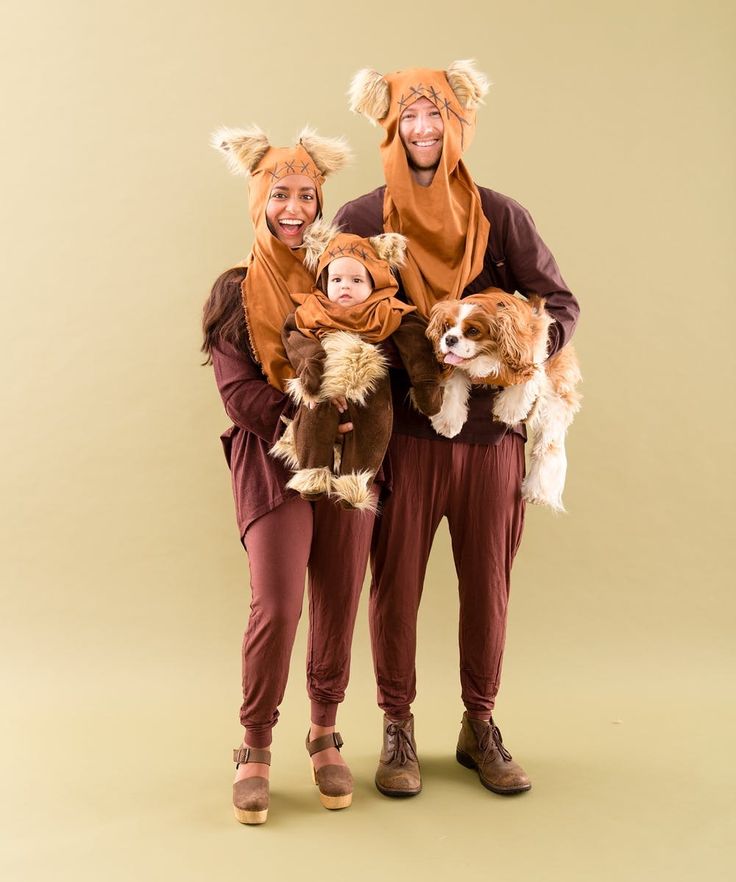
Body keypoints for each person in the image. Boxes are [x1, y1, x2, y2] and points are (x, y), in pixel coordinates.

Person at [333, 60, 581, 797]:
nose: (422, 129)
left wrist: (517, 355)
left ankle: (481, 723)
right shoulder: (361, 218)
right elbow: (331, 314)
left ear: (459, 124)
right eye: (408, 117)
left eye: (435, 115)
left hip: (493, 443)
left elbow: (559, 304)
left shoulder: (501, 216)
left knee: (488, 587)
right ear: (388, 127)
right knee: (394, 588)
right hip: (404, 439)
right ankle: (397, 727)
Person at [202, 125, 372, 824]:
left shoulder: (345, 275)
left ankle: (324, 731)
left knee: (339, 595)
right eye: (280, 194)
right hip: (273, 461)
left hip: (351, 463)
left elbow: (381, 354)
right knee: (277, 604)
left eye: (306, 195)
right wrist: (309, 418)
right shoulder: (235, 290)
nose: (294, 208)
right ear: (258, 200)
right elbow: (238, 395)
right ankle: (255, 744)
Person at [272, 220, 443, 511]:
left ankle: (355, 481)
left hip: (369, 383)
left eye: (356, 280)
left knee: (374, 424)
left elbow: (417, 345)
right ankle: (313, 471)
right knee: (314, 412)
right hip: (324, 381)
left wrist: (427, 385)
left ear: (374, 283)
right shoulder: (312, 310)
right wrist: (310, 364)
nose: (345, 287)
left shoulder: (388, 311)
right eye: (336, 279)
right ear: (325, 281)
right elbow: (294, 337)